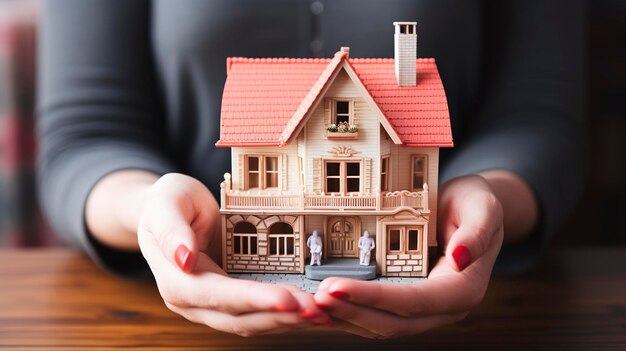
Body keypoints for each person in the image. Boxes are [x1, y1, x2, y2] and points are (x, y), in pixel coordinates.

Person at [37, 1, 583, 339]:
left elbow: (541, 116)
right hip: (161, 321)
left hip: (491, 317)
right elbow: (85, 132)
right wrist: (152, 209)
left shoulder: (404, 89)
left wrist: (482, 203)